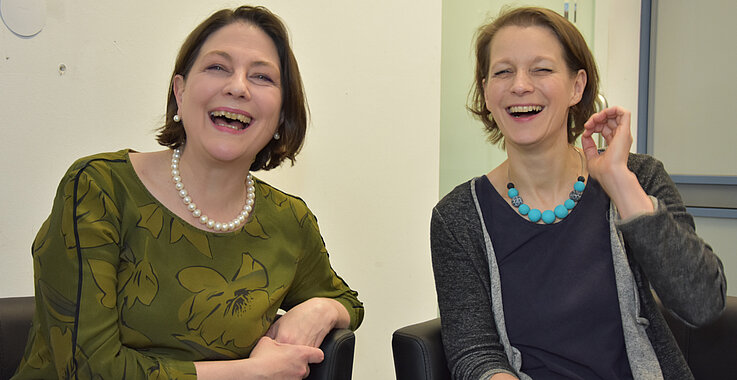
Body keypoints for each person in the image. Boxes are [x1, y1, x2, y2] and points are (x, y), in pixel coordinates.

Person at [13, 6, 363, 380]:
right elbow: (87, 369)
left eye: (261, 76)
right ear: (180, 92)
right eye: (218, 67)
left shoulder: (289, 221)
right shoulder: (98, 187)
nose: (238, 86)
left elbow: (347, 302)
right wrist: (250, 372)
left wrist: (320, 310)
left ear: (280, 116)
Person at [430, 6, 725, 380]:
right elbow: (474, 353)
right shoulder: (458, 216)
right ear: (487, 92)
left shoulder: (640, 177)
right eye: (503, 71)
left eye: (541, 69)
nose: (520, 85)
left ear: (577, 86)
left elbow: (702, 304)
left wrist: (619, 182)